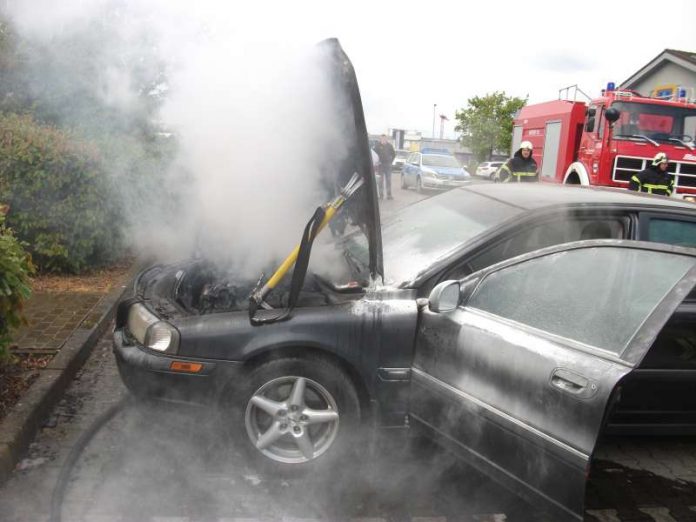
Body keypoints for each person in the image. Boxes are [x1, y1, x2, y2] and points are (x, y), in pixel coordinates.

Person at [373, 134, 396, 199]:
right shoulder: (377, 146)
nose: (383, 140)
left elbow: (393, 154)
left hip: (388, 166)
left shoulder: (390, 146)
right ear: (380, 139)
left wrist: (391, 161)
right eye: (382, 139)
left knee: (388, 180)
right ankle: (381, 195)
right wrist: (376, 162)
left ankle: (389, 195)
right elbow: (374, 155)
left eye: (384, 139)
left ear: (386, 139)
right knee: (380, 181)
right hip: (380, 166)